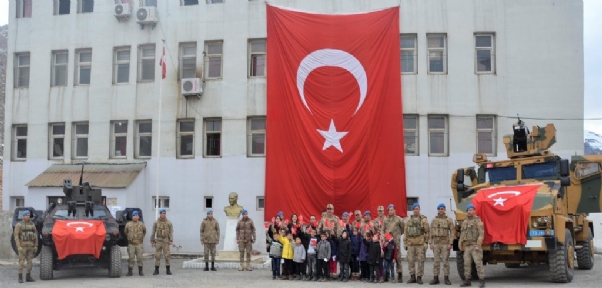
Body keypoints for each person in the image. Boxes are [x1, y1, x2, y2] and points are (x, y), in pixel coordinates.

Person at [459, 204, 485, 288]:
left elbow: (481, 234)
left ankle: (481, 280)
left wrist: (478, 245)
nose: (469, 212)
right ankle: (467, 280)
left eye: (470, 210)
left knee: (478, 263)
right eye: (468, 210)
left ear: (474, 211)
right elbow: (462, 234)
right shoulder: (465, 222)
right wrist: (460, 243)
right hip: (467, 246)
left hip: (475, 246)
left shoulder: (478, 221)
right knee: (466, 264)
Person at [429, 203, 455, 285]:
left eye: (442, 208)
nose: (441, 210)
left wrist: (450, 243)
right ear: (438, 210)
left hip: (445, 244)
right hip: (436, 244)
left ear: (444, 210)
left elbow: (453, 232)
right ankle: (435, 278)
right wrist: (430, 243)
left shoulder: (449, 220)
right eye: (439, 209)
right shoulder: (434, 220)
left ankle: (446, 278)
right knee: (436, 262)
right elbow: (430, 232)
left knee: (445, 262)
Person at [404, 202, 429, 284]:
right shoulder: (408, 220)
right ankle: (412, 277)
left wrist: (426, 242)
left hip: (420, 244)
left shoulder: (423, 219)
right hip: (411, 244)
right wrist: (405, 243)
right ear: (412, 210)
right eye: (414, 209)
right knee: (410, 261)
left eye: (417, 209)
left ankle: (419, 277)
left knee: (420, 261)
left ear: (419, 209)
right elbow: (406, 233)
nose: (415, 210)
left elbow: (427, 232)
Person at [381, 203, 405, 283]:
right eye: (389, 210)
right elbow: (382, 230)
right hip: (388, 242)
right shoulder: (385, 219)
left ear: (395, 210)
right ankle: (387, 274)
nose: (390, 211)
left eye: (392, 210)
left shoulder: (399, 219)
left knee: (397, 257)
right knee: (387, 257)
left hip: (395, 241)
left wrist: (397, 235)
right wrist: (384, 238)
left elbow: (403, 229)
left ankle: (399, 274)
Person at [14, 210, 37, 283]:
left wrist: (36, 245)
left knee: (30, 262)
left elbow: (35, 236)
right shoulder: (19, 225)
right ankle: (20, 277)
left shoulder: (32, 225)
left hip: (31, 246)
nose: (28, 216)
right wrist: (18, 246)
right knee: (21, 262)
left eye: (29, 215)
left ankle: (28, 276)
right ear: (23, 216)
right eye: (26, 215)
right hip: (23, 246)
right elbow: (16, 236)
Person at [150, 209, 174, 275]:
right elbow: (153, 231)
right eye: (162, 213)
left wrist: (171, 239)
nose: (163, 214)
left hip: (166, 241)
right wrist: (152, 240)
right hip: (158, 241)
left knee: (167, 255)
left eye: (164, 213)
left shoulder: (169, 222)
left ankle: (168, 270)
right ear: (160, 214)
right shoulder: (156, 222)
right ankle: (156, 270)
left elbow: (171, 231)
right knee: (157, 255)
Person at [124, 210, 146, 276]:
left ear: (138, 216)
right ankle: (130, 271)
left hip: (139, 244)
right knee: (131, 258)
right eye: (134, 215)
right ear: (132, 217)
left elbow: (144, 231)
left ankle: (140, 271)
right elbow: (126, 232)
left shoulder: (141, 224)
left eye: (136, 215)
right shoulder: (128, 224)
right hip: (131, 244)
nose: (135, 217)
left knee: (140, 258)